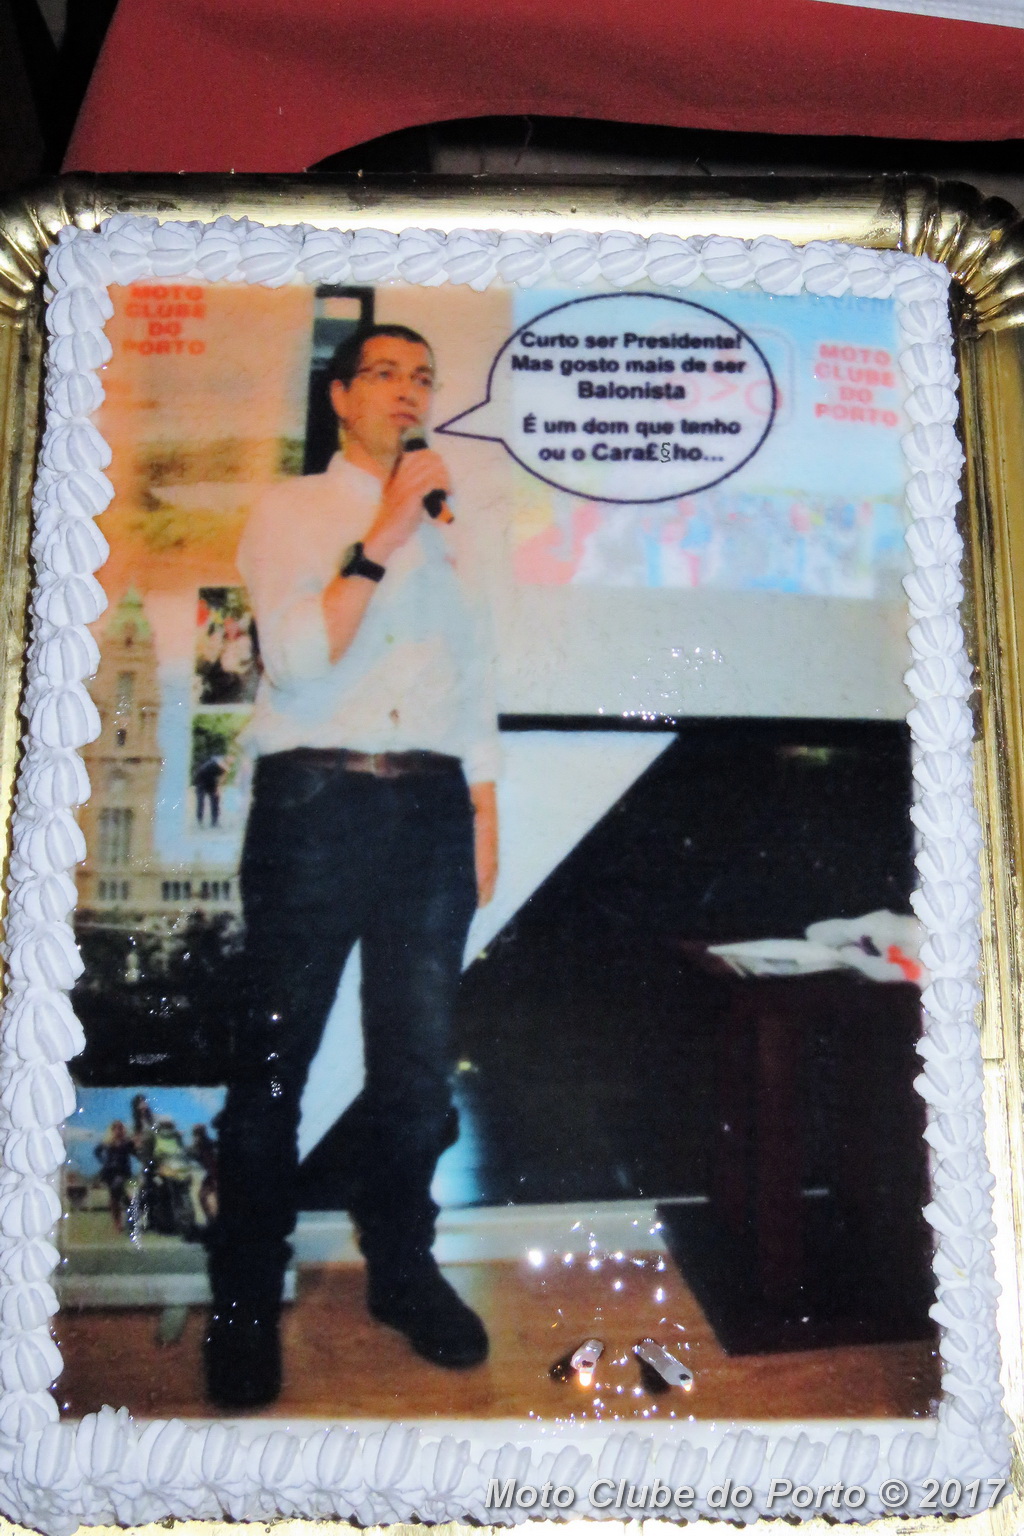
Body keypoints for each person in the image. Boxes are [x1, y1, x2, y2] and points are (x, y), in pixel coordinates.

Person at [203, 322, 500, 1409]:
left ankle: (403, 1273)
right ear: (339, 396)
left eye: (423, 376)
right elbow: (294, 661)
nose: (408, 391)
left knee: (418, 1073)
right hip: (316, 804)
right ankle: (245, 1303)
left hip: (431, 809)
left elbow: (473, 680)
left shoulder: (453, 530)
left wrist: (484, 808)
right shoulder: (292, 511)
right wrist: (380, 534)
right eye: (384, 373)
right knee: (274, 1067)